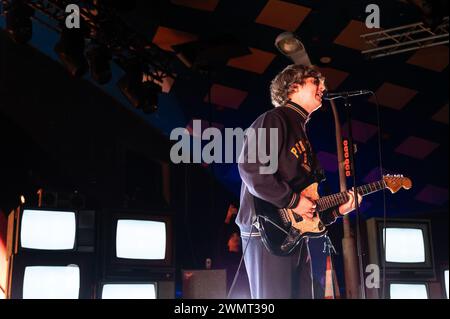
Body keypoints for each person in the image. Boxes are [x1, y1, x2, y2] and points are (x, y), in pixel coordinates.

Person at [236, 64, 362, 299]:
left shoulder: (300, 129)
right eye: (316, 81)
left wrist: (336, 210)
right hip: (265, 230)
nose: (323, 87)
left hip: (293, 235)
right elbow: (251, 167)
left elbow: (308, 203)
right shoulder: (274, 119)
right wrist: (293, 201)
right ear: (293, 86)